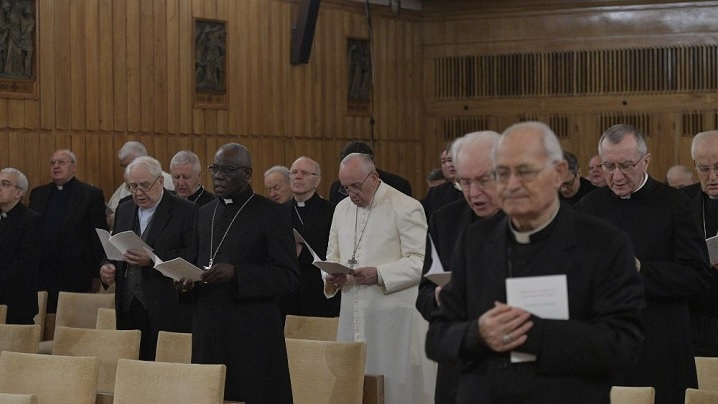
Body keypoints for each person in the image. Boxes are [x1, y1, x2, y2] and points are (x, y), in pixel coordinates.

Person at [427, 121, 645, 403]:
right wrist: (478, 333)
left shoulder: (604, 244)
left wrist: (536, 334)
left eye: (525, 172)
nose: (513, 185)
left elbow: (623, 345)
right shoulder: (475, 240)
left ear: (558, 173)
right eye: (502, 174)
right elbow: (438, 337)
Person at [577, 124, 712, 404]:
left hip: (660, 343)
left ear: (646, 161)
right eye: (608, 166)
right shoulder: (588, 208)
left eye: (626, 165)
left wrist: (640, 269)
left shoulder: (676, 204)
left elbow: (697, 277)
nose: (616, 176)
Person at [178, 143, 299, 403]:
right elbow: (196, 262)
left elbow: (288, 276)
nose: (218, 175)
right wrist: (186, 283)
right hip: (208, 330)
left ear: (247, 173)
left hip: (251, 334)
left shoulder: (271, 214)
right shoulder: (203, 213)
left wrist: (238, 274)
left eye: (227, 169)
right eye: (215, 168)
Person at [324, 153, 434, 403]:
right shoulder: (341, 209)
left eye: (356, 186)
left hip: (393, 320)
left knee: (394, 387)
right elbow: (333, 253)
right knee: (354, 385)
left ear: (373, 178)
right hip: (352, 313)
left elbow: (420, 261)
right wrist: (331, 276)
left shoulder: (405, 206)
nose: (351, 194)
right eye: (345, 187)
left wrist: (380, 274)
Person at [416, 131, 502, 404]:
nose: (474, 193)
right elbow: (424, 295)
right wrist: (440, 298)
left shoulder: (534, 220)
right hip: (458, 370)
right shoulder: (446, 220)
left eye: (484, 180)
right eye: (465, 182)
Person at [99, 156, 196, 360]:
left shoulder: (186, 211)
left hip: (165, 305)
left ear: (160, 181)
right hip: (127, 303)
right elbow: (115, 247)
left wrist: (153, 258)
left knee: (162, 369)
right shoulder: (124, 209)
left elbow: (192, 254)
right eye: (132, 186)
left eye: (144, 185)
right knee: (130, 365)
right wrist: (107, 267)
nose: (139, 192)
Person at [29, 149, 108, 313]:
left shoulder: (90, 195)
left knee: (71, 320)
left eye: (62, 162)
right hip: (42, 273)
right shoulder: (38, 194)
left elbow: (98, 236)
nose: (56, 166)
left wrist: (96, 274)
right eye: (53, 163)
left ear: (74, 167)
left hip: (75, 274)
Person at [281, 156, 339, 318]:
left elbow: (334, 250)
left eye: (305, 173)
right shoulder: (278, 212)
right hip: (287, 295)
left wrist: (302, 252)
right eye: (294, 172)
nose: (298, 176)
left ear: (317, 181)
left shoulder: (332, 212)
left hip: (318, 292)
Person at [682, 130, 718, 357]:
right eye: (704, 169)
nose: (712, 176)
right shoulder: (681, 203)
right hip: (696, 318)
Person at [0, 168, 41, 324]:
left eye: (5, 184)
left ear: (19, 193)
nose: (0, 187)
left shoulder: (31, 220)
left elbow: (25, 262)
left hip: (16, 303)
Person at [328, 141, 412, 204]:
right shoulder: (337, 187)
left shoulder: (398, 186)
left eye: (356, 186)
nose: (351, 194)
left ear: (371, 164)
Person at [107, 141, 174, 217]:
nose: (138, 193)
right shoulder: (128, 185)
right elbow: (112, 210)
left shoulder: (167, 180)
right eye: (123, 166)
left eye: (145, 185)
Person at [422, 146, 463, 219]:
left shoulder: (474, 190)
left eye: (452, 160)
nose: (449, 165)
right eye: (444, 161)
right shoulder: (435, 193)